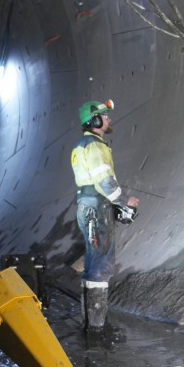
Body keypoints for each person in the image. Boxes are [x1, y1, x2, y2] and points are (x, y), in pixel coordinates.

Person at [70, 99, 139, 333]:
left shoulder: (82, 145)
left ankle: (90, 324)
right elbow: (105, 182)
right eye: (105, 115)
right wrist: (124, 200)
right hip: (97, 210)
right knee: (101, 265)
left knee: (92, 263)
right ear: (95, 120)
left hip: (87, 206)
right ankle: (98, 329)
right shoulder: (96, 146)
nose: (109, 119)